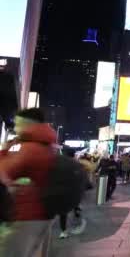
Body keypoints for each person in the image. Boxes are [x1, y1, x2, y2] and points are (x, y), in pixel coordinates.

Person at [0, 108, 57, 256]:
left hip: (25, 215)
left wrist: (4, 152)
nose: (16, 128)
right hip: (38, 213)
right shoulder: (43, 144)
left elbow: (5, 171)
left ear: (29, 124)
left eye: (18, 124)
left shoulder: (29, 148)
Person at [58, 148, 87, 239]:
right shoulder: (77, 165)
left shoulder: (60, 164)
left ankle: (63, 231)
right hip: (74, 192)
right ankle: (77, 222)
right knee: (75, 208)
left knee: (63, 213)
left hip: (63, 192)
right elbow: (84, 180)